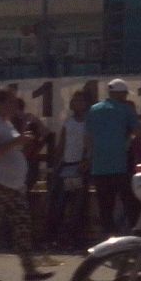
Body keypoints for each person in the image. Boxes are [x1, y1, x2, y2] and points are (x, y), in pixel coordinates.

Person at [0, 88, 54, 281]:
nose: (15, 106)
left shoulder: (5, 124)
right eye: (11, 102)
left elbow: (11, 149)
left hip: (13, 186)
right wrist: (17, 141)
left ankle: (30, 271)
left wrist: (21, 140)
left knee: (23, 227)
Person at [86, 79, 140, 235]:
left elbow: (88, 138)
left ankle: (109, 238)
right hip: (120, 165)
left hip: (99, 166)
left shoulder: (93, 110)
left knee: (105, 207)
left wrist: (91, 158)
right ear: (120, 93)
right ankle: (136, 236)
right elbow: (138, 131)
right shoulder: (126, 110)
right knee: (130, 203)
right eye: (124, 94)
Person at [45, 90, 91, 249]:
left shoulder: (89, 122)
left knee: (78, 206)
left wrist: (87, 160)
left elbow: (91, 144)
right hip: (66, 166)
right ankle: (55, 237)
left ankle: (75, 237)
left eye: (80, 100)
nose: (77, 103)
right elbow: (61, 144)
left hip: (80, 166)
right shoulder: (68, 122)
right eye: (75, 100)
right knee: (60, 203)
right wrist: (55, 165)